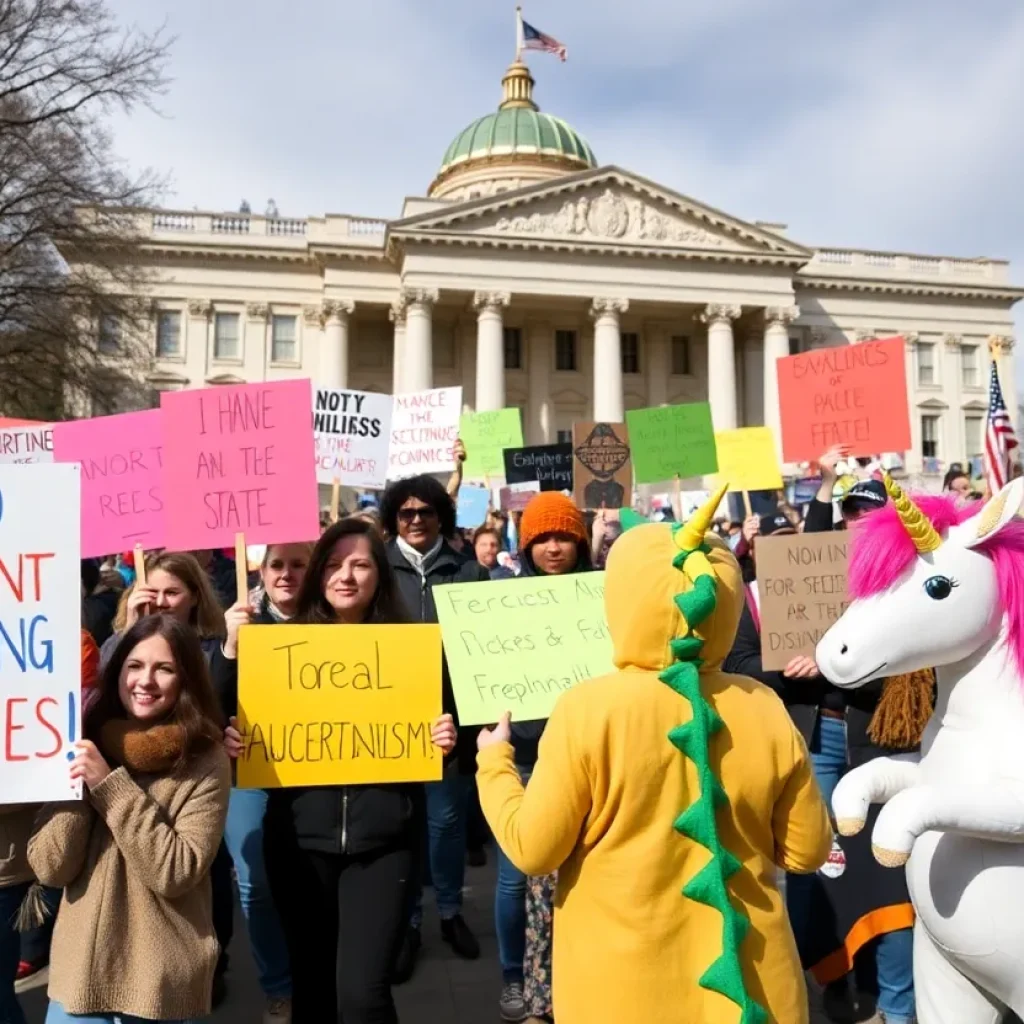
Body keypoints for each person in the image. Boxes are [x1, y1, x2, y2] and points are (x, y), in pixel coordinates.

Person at [475, 487, 832, 1023]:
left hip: (620, 994)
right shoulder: (763, 705)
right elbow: (807, 853)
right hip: (755, 991)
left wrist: (494, 765)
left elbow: (533, 849)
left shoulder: (586, 708)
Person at [234, 518, 457, 1024]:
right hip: (297, 845)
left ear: (380, 574)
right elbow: (220, 713)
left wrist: (445, 742)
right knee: (312, 992)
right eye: (333, 565)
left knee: (362, 996)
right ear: (318, 575)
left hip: (384, 846)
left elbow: (453, 736)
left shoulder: (412, 649)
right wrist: (231, 657)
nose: (345, 576)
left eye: (359, 564)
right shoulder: (276, 648)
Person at [724, 486, 925, 1024]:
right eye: (851, 513)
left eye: (870, 513)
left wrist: (837, 665)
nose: (860, 522)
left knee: (885, 870)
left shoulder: (894, 587)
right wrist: (793, 667)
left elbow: (910, 672)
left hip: (876, 742)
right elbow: (740, 662)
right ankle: (829, 976)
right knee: (815, 862)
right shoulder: (758, 595)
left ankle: (895, 1003)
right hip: (810, 741)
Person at [28, 616, 230, 1023]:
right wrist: (81, 788)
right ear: (116, 671)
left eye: (165, 668)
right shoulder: (84, 743)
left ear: (186, 678)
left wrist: (109, 786)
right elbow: (50, 867)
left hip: (157, 986)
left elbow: (175, 871)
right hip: (78, 981)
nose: (146, 680)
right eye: (134, 666)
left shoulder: (206, 758)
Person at [379, 474, 489, 978]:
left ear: (442, 515)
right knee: (402, 826)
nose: (417, 520)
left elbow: (484, 647)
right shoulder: (378, 568)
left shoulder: (467, 571)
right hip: (390, 723)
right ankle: (409, 921)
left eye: (426, 511)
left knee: (445, 823)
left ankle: (449, 911)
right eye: (406, 513)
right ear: (393, 519)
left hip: (451, 722)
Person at [494, 491, 594, 1023]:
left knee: (585, 879)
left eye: (564, 537)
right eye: (542, 539)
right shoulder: (502, 602)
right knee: (522, 879)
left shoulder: (605, 598)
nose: (554, 548)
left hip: (593, 757)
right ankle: (525, 985)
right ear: (527, 544)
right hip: (532, 757)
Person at [211, 543, 314, 1024]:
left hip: (316, 774)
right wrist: (231, 646)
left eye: (298, 564)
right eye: (277, 565)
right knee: (254, 884)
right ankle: (278, 985)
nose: (287, 574)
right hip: (251, 773)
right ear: (261, 570)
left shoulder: (331, 619)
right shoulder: (242, 622)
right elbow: (213, 708)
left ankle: (315, 971)